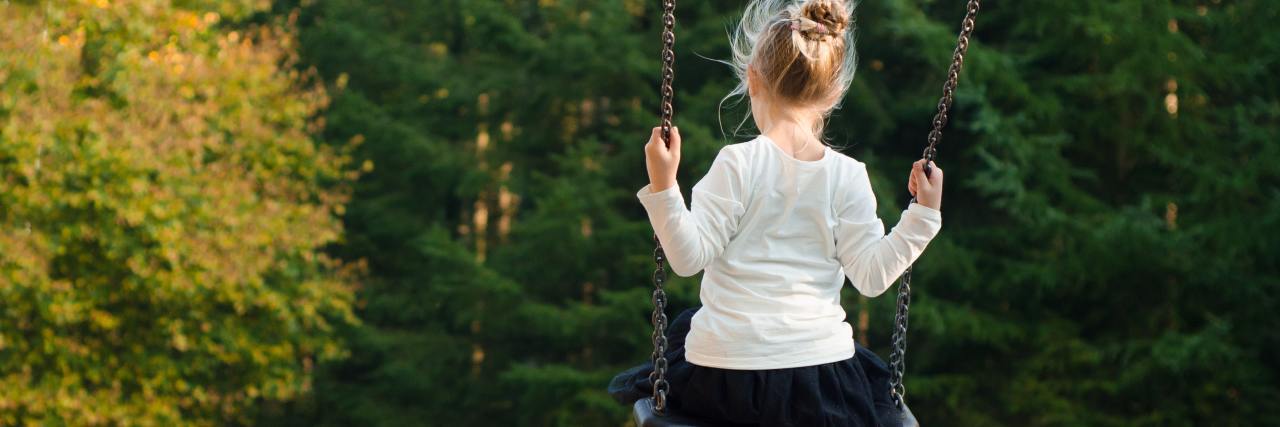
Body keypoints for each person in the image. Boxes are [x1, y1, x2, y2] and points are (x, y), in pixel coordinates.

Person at [608, 0, 944, 425]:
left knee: (688, 330)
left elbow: (687, 259)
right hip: (821, 383)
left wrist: (663, 184)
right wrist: (923, 216)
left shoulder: (737, 163)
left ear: (753, 79)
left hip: (725, 380)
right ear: (835, 90)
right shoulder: (849, 176)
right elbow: (872, 278)